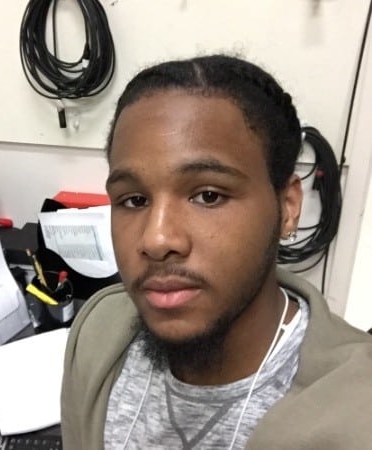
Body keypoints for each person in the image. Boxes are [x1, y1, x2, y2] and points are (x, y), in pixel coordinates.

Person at [60, 54, 372, 450]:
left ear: (288, 208)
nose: (156, 240)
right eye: (135, 200)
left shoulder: (359, 416)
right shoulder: (96, 331)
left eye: (208, 195)